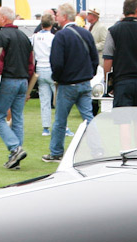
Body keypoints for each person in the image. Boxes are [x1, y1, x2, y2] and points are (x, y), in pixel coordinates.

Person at [43, 3, 97, 161]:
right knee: (88, 118)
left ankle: (56, 152)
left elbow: (57, 62)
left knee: (60, 120)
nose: (56, 18)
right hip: (85, 82)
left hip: (68, 84)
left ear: (64, 17)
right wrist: (90, 73)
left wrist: (57, 78)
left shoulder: (61, 36)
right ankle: (98, 149)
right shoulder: (86, 33)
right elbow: (94, 58)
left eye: (58, 15)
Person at [0, 6, 34, 169]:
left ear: (4, 19)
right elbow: (31, 64)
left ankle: (15, 148)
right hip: (23, 81)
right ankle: (15, 158)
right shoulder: (24, 36)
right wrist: (28, 85)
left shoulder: (0, 36)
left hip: (9, 80)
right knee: (17, 118)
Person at [33, 12, 58, 136]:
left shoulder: (35, 37)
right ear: (52, 23)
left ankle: (45, 128)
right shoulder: (53, 37)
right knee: (58, 99)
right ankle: (63, 127)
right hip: (50, 68)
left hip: (39, 69)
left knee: (44, 100)